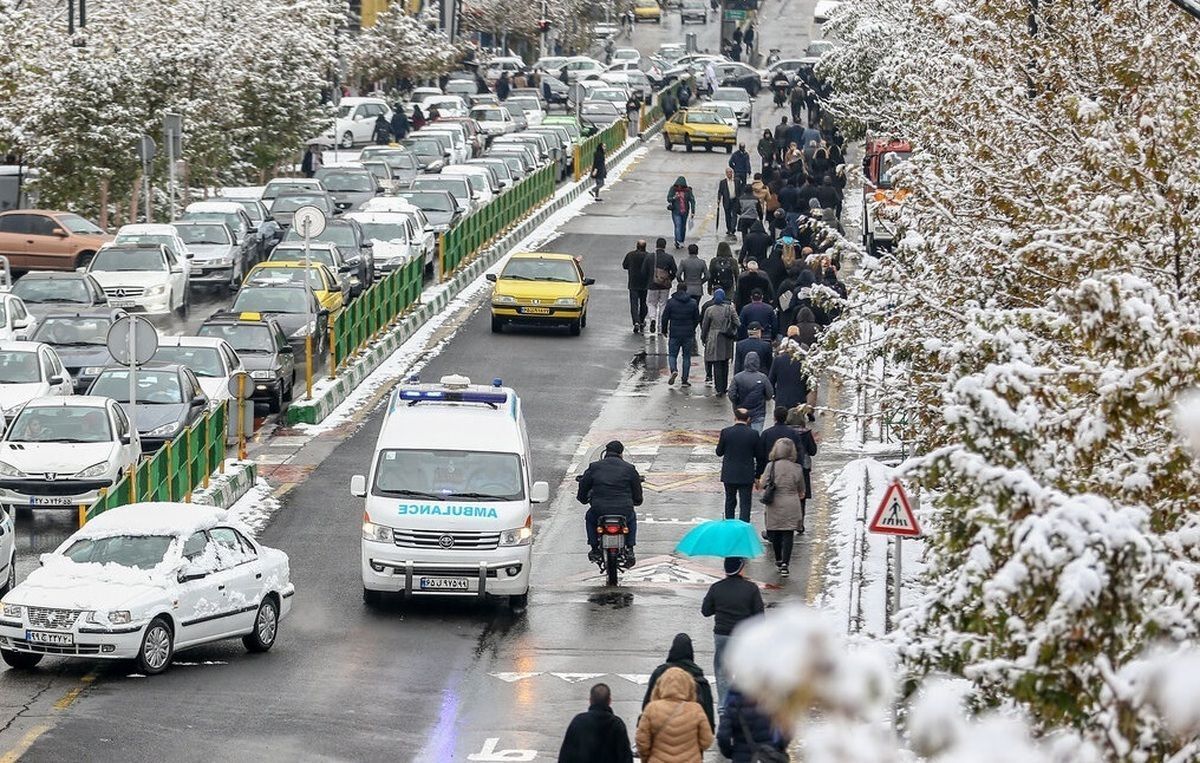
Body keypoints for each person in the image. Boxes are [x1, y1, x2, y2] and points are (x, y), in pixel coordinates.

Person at [701, 557, 764, 705]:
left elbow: (706, 611)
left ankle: (723, 705)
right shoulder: (751, 588)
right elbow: (760, 617)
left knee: (722, 671)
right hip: (744, 636)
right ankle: (743, 705)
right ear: (741, 568)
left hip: (722, 634)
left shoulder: (716, 587)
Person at [577, 440, 643, 566]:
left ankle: (594, 548)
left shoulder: (594, 467)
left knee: (590, 518)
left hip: (599, 510)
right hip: (624, 510)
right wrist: (637, 501)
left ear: (606, 452)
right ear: (621, 453)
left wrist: (583, 499)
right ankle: (630, 548)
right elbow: (637, 493)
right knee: (631, 518)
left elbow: (583, 487)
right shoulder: (629, 469)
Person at [636, 667, 714, 762]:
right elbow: (706, 741)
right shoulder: (696, 709)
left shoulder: (652, 708)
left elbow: (642, 742)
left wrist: (646, 758)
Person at [642, 633, 716, 732]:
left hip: (662, 730)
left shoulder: (660, 672)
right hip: (690, 733)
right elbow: (708, 709)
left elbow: (647, 702)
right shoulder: (698, 676)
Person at [760, 437, 805, 575]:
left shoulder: (771, 466)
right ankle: (785, 563)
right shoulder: (797, 468)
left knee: (775, 532)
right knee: (788, 533)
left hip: (774, 502)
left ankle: (778, 558)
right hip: (791, 502)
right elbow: (801, 488)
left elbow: (762, 483)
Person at [559, 683, 635, 763]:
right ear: (609, 701)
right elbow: (625, 757)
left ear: (590, 700)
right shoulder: (617, 724)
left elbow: (565, 755)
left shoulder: (578, 721)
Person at [717, 687, 789, 762]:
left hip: (742, 757)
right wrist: (780, 748)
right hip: (771, 755)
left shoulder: (733, 700)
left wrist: (731, 753)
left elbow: (723, 736)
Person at [715, 408, 761, 522]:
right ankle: (744, 526)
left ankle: (729, 524)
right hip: (746, 473)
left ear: (735, 418)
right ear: (749, 419)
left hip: (729, 473)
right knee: (745, 503)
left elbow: (719, 452)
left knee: (730, 500)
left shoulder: (726, 432)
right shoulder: (754, 434)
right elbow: (759, 455)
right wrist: (758, 475)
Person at [660, 283, 700, 387]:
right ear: (686, 290)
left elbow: (665, 318)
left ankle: (674, 370)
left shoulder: (671, 302)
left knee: (672, 355)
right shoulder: (693, 303)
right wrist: (692, 328)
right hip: (688, 334)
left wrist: (664, 330)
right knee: (686, 357)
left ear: (677, 290)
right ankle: (685, 379)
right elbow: (697, 319)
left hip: (674, 333)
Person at [700, 288, 738, 396]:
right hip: (726, 338)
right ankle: (724, 386)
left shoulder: (710, 310)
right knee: (725, 362)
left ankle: (719, 388)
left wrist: (703, 338)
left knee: (716, 363)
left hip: (714, 338)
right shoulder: (730, 309)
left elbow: (705, 326)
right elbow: (737, 322)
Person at [768, 329, 815, 409]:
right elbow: (810, 384)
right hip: (799, 401)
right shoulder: (805, 361)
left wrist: (775, 395)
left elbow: (771, 380)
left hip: (781, 400)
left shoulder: (778, 360)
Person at [728, 352, 773, 432]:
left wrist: (737, 403)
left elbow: (731, 394)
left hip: (741, 414)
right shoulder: (763, 378)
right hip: (758, 413)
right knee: (756, 438)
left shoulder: (737, 377)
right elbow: (769, 395)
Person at [642, 238, 678, 333]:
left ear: (656, 245)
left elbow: (643, 271)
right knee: (663, 304)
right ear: (665, 246)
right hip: (664, 285)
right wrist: (669, 278)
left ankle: (653, 319)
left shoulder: (650, 257)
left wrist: (648, 280)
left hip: (652, 284)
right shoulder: (669, 257)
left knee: (651, 303)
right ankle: (661, 325)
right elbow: (675, 271)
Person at [623, 240, 650, 333]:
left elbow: (624, 265)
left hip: (633, 283)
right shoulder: (648, 256)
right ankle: (642, 320)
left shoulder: (630, 255)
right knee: (643, 302)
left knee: (634, 304)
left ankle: (636, 322)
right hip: (644, 283)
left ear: (637, 246)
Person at [667, 176, 696, 249]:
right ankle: (678, 241)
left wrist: (693, 211)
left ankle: (682, 240)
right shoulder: (673, 189)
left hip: (685, 211)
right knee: (678, 225)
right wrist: (674, 197)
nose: (679, 187)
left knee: (683, 227)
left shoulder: (688, 191)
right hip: (676, 211)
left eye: (681, 186)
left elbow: (692, 201)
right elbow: (668, 199)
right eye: (678, 186)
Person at [716, 168, 740, 239]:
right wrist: (719, 199)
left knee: (734, 214)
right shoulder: (723, 182)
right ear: (726, 174)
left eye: (730, 172)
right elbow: (720, 191)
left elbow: (739, 190)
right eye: (728, 173)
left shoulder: (737, 181)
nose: (729, 174)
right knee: (728, 215)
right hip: (727, 201)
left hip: (735, 200)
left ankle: (733, 228)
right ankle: (729, 228)